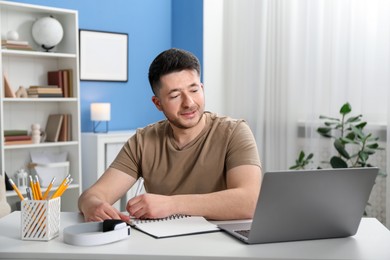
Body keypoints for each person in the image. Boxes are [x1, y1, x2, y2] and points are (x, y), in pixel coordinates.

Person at [78, 48, 262, 222]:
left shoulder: (234, 132)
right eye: (175, 96)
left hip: (222, 244)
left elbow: (250, 202)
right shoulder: (143, 141)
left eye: (194, 90)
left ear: (202, 88)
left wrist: (172, 204)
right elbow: (92, 196)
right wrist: (93, 205)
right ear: (158, 103)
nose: (189, 103)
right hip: (163, 246)